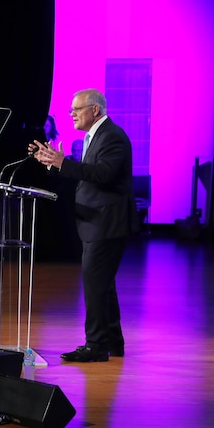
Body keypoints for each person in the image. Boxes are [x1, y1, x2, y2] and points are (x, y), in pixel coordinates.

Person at [31, 88, 137, 362]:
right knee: (102, 285)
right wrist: (56, 164)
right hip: (96, 223)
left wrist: (64, 163)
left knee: (94, 285)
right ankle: (112, 342)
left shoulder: (112, 136)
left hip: (106, 224)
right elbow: (88, 173)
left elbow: (102, 174)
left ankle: (95, 346)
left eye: (76, 109)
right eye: (71, 110)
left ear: (95, 110)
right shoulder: (96, 136)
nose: (71, 114)